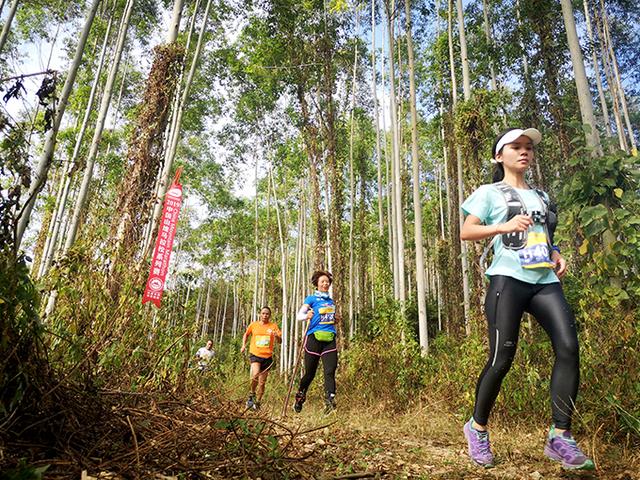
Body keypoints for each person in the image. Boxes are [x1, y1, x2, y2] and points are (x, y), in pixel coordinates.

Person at [459, 127, 594, 470]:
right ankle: (477, 428)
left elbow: (547, 234)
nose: (524, 152)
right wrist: (501, 227)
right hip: (508, 278)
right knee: (502, 358)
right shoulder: (489, 193)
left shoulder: (543, 196)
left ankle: (559, 436)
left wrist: (558, 252)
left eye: (528, 148)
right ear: (499, 155)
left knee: (568, 348)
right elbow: (466, 231)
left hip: (545, 279)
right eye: (516, 147)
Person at [293, 270, 339, 414]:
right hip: (314, 339)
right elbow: (299, 316)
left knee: (330, 371)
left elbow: (328, 318)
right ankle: (300, 396)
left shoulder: (331, 301)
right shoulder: (311, 299)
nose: (325, 284)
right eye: (322, 282)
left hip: (329, 339)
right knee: (310, 374)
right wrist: (307, 315)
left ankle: (329, 401)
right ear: (317, 284)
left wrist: (335, 320)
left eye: (327, 282)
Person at [241, 306, 282, 410]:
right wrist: (243, 345)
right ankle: (251, 395)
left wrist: (276, 336)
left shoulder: (273, 326)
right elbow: (246, 334)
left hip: (267, 357)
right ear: (260, 314)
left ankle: (258, 402)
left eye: (267, 314)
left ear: (270, 315)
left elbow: (280, 341)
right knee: (255, 374)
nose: (265, 315)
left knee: (262, 383)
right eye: (263, 313)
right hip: (255, 354)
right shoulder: (254, 325)